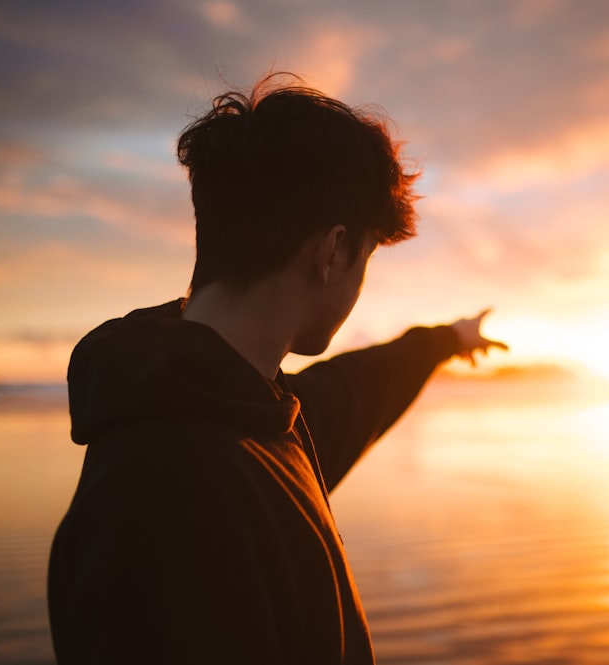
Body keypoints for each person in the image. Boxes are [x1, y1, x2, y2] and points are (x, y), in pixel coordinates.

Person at [47, 74, 506, 664]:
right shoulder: (162, 491)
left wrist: (449, 340)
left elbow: (356, 391)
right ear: (333, 251)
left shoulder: (251, 410)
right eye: (364, 256)